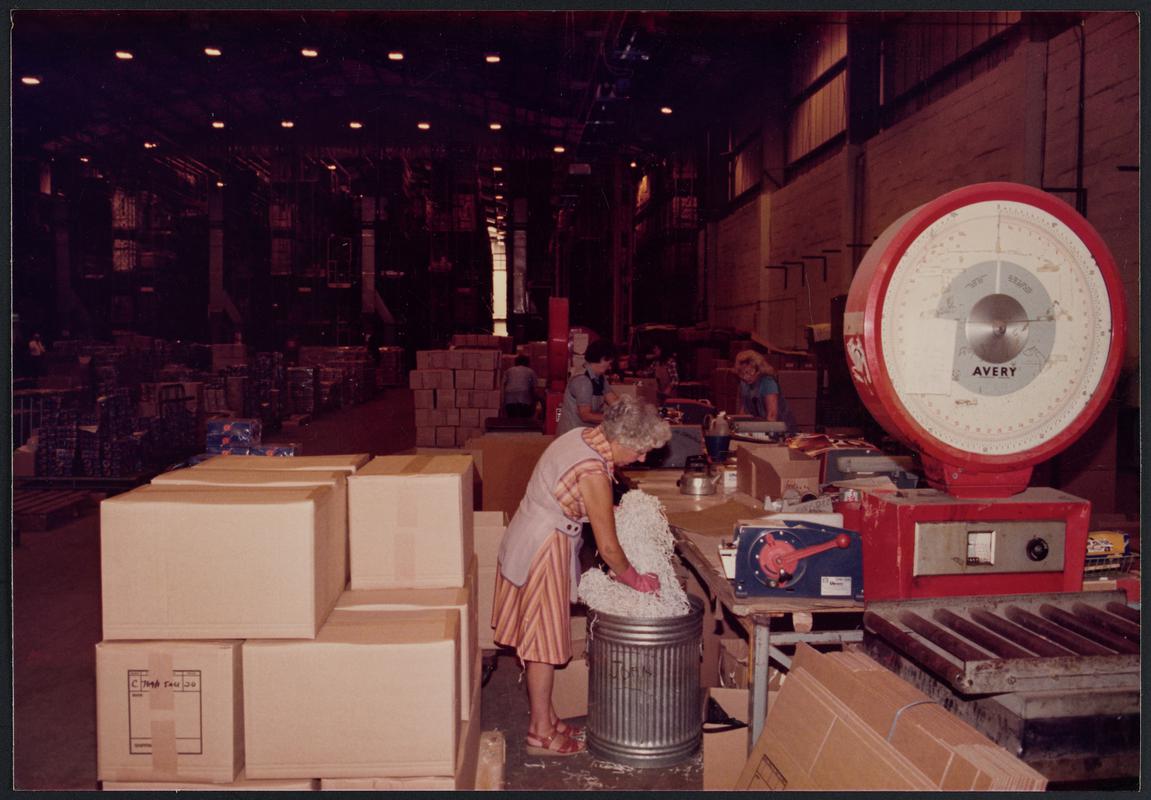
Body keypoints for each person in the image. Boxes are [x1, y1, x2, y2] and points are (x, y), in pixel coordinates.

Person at [491, 395, 672, 756]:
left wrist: (605, 506)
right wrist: (636, 580)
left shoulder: (581, 436)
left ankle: (548, 716)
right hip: (545, 546)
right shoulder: (593, 471)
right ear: (621, 440)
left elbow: (571, 493)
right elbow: (608, 549)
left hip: (529, 530)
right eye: (639, 451)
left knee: (537, 636)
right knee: (541, 643)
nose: (641, 459)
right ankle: (539, 733)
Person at [555, 339, 619, 435]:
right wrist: (615, 418)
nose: (610, 367)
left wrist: (628, 410)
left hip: (585, 433)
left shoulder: (599, 377)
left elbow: (613, 401)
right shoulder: (582, 380)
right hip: (572, 435)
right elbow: (585, 415)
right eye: (609, 363)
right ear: (602, 359)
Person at [734, 349, 796, 430]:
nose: (746, 377)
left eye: (750, 372)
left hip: (782, 430)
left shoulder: (768, 382)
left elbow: (772, 416)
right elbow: (744, 410)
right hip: (762, 426)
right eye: (743, 373)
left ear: (759, 369)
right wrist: (738, 427)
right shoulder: (744, 384)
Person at [503, 354, 540, 419]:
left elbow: (503, 383)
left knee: (511, 417)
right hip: (524, 396)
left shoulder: (509, 370)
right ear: (527, 362)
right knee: (524, 417)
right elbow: (535, 387)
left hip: (509, 395)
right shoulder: (530, 371)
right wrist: (536, 400)